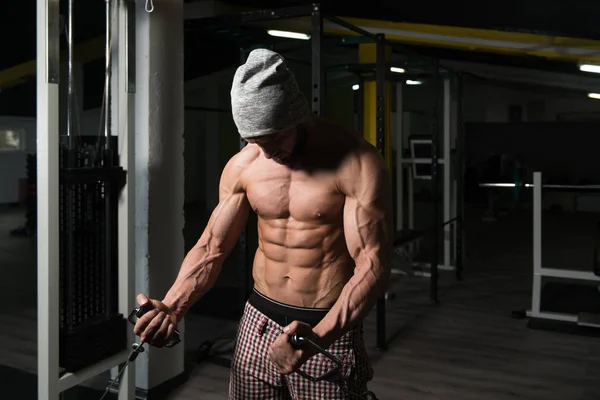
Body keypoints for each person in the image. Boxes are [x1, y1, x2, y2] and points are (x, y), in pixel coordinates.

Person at [133, 48, 393, 399]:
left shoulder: (356, 162)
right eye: (255, 141)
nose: (267, 153)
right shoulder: (245, 165)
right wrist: (173, 306)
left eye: (274, 139)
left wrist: (320, 337)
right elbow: (212, 247)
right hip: (258, 320)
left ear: (296, 116)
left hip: (323, 322)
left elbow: (373, 264)